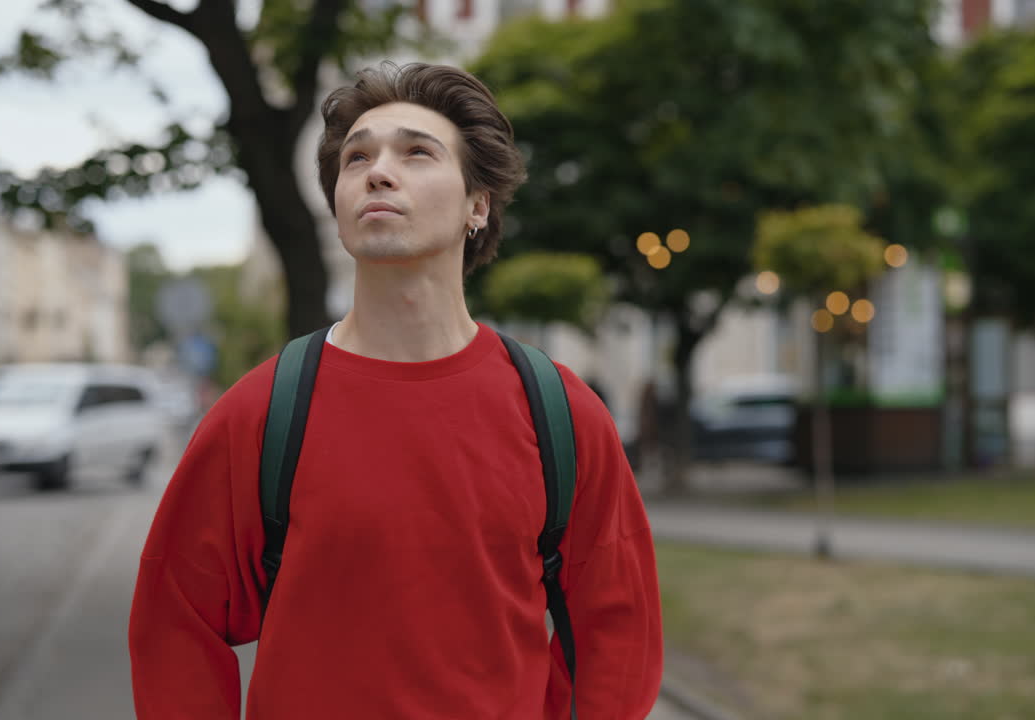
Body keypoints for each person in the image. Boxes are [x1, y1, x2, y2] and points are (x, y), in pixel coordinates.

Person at [129, 61, 663, 719]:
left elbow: (618, 627)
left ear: (477, 205)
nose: (379, 170)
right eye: (357, 158)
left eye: (417, 152)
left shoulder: (561, 414)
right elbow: (175, 622)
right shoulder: (260, 414)